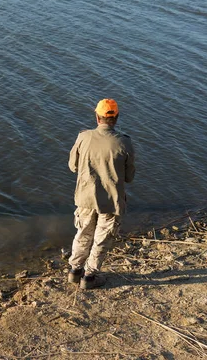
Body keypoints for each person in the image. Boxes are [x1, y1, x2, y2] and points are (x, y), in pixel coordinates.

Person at [67, 98, 135, 289]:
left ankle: (75, 271)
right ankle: (89, 277)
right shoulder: (124, 142)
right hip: (111, 202)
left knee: (82, 234)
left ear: (97, 117)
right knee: (101, 239)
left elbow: (72, 166)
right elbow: (129, 177)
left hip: (85, 198)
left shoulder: (83, 137)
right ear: (117, 118)